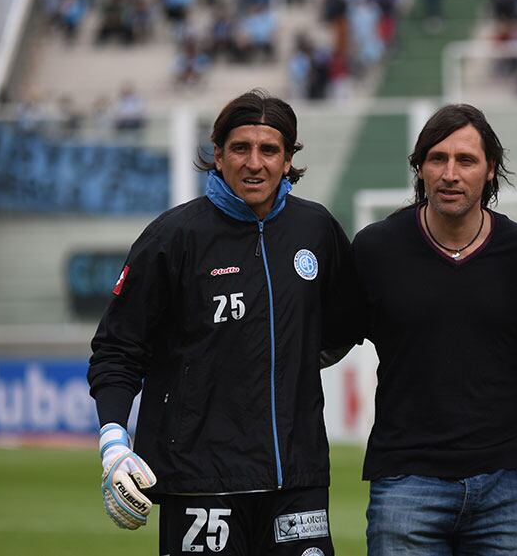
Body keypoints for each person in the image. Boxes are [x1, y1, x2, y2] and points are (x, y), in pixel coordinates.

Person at [87, 90, 352, 555]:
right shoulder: (173, 237)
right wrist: (113, 440)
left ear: (289, 158)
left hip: (297, 479)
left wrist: (290, 356)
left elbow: (345, 325)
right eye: (240, 149)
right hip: (200, 480)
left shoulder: (318, 230)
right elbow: (117, 349)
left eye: (269, 150)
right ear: (217, 154)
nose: (255, 163)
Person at [343, 104, 517, 555]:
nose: (450, 173)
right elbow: (332, 340)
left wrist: (482, 370)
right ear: (419, 168)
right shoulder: (374, 249)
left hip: (505, 482)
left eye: (466, 160)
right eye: (437, 159)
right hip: (405, 481)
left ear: (490, 172)